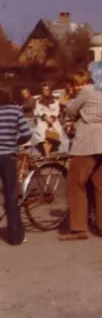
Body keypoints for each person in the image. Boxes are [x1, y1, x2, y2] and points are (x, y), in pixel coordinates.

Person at [60, 63, 102, 241]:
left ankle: (79, 228)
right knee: (101, 186)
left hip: (88, 142)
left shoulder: (87, 90)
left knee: (75, 184)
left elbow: (71, 109)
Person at [0, 85, 33, 246]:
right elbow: (27, 133)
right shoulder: (15, 111)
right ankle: (15, 236)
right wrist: (15, 142)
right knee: (11, 195)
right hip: (9, 156)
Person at [33, 83, 67, 156]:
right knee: (45, 137)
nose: (46, 92)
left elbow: (56, 111)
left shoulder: (55, 101)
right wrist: (47, 119)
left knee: (52, 137)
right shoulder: (38, 102)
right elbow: (40, 112)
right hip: (43, 122)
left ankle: (50, 153)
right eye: (44, 90)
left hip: (54, 122)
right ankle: (47, 155)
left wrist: (52, 118)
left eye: (48, 90)